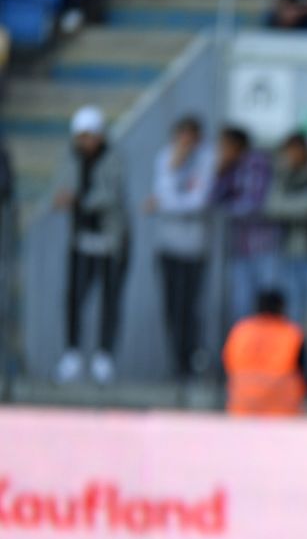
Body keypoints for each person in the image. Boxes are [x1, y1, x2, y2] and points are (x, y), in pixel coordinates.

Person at [53, 105, 128, 385]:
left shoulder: (113, 158)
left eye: (91, 135)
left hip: (109, 241)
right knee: (74, 298)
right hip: (81, 239)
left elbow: (110, 194)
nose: (86, 142)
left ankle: (104, 355)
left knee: (109, 300)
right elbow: (61, 187)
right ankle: (72, 353)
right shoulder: (71, 158)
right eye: (82, 136)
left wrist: (79, 201)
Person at [145, 115, 216, 382]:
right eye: (181, 136)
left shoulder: (206, 160)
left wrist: (164, 204)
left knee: (191, 307)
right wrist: (174, 168)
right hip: (168, 246)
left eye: (190, 137)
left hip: (195, 248)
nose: (184, 143)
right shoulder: (166, 158)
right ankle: (175, 362)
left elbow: (196, 202)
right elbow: (163, 191)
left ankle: (192, 360)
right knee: (171, 308)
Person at [263, 132, 307, 381]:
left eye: (295, 151)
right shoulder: (282, 175)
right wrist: (296, 208)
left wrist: (290, 208)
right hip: (290, 254)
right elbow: (271, 206)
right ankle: (295, 367)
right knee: (293, 315)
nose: (291, 156)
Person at [213, 125, 275, 324]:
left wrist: (228, 209)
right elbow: (213, 200)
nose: (220, 150)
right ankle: (248, 351)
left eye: (223, 145)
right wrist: (219, 172)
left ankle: (270, 353)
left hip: (264, 246)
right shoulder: (228, 168)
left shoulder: (257, 163)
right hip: (241, 247)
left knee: (267, 305)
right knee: (241, 306)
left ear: (236, 144)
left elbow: (254, 203)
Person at [222, 289, 307, 416]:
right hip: (282, 409)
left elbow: (227, 363)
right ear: (281, 307)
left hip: (242, 406)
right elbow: (303, 371)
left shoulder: (240, 330)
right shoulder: (291, 333)